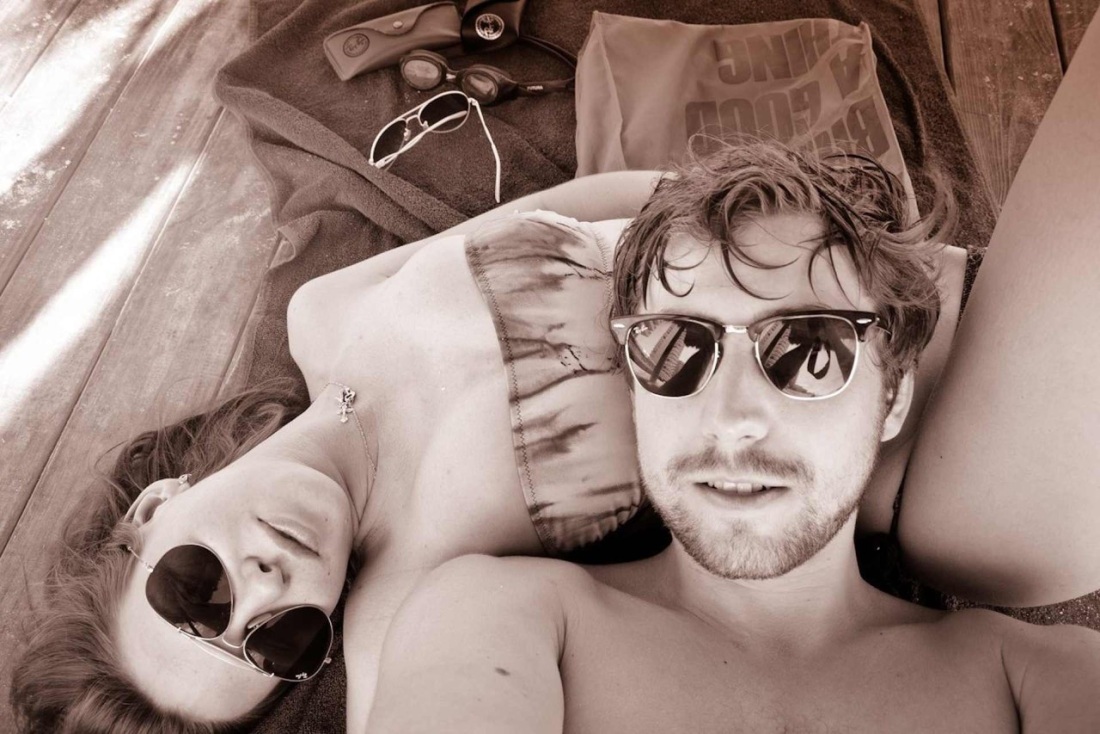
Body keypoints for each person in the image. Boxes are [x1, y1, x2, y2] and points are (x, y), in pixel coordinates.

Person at [363, 15, 1100, 732]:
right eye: (677, 349)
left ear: (894, 394)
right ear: (633, 384)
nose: (733, 418)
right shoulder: (502, 618)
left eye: (809, 350)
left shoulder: (1037, 674)